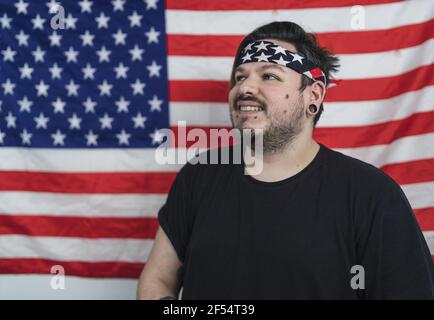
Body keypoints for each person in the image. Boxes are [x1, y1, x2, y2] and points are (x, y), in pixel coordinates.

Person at [137, 21, 434, 299]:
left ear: (313, 95)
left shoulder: (372, 195)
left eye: (269, 76)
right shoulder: (199, 176)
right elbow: (157, 280)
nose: (245, 88)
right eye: (240, 76)